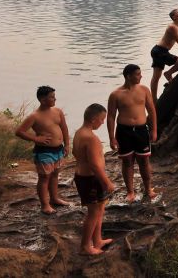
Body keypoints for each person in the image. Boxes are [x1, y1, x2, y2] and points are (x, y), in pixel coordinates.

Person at [14, 85, 71, 214]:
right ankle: (45, 205)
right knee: (44, 177)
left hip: (58, 150)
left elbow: (64, 128)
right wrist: (36, 139)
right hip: (44, 151)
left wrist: (67, 145)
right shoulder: (35, 116)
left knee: (55, 174)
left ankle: (55, 198)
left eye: (54, 96)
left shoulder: (57, 111)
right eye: (52, 97)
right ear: (42, 99)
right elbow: (19, 131)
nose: (55, 99)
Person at [108, 64, 158, 202]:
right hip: (124, 131)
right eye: (137, 74)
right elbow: (111, 116)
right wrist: (111, 137)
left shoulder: (144, 90)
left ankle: (148, 188)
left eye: (140, 73)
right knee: (127, 162)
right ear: (128, 76)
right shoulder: (116, 94)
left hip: (142, 130)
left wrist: (154, 130)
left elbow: (152, 110)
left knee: (144, 161)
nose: (141, 76)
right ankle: (130, 192)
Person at [72, 103, 115, 255]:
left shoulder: (79, 133)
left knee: (100, 207)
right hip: (90, 179)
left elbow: (75, 153)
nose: (103, 122)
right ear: (93, 119)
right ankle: (85, 247)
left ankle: (97, 240)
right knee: (93, 212)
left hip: (83, 176)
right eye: (102, 119)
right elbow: (95, 166)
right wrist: (107, 182)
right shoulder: (91, 138)